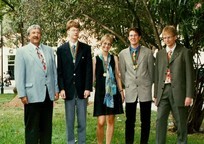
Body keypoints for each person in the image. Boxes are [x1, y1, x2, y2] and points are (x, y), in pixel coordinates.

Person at [14, 24, 59, 144]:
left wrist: (56, 89)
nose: (36, 35)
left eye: (38, 32)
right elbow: (19, 74)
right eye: (33, 33)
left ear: (41, 35)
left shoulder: (49, 50)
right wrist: (22, 94)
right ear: (28, 36)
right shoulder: (22, 52)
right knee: (32, 129)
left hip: (48, 95)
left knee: (46, 129)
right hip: (31, 96)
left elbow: (53, 71)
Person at [154, 25, 194, 144]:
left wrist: (189, 95)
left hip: (179, 92)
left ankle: (182, 142)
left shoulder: (184, 52)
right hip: (163, 91)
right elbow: (157, 75)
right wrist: (156, 94)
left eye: (169, 37)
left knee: (181, 122)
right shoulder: (160, 54)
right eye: (164, 38)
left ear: (175, 37)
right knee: (160, 120)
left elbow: (189, 75)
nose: (166, 40)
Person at [57, 19, 93, 144]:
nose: (75, 32)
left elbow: (89, 69)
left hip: (82, 90)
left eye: (77, 30)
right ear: (68, 32)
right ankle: (70, 141)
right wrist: (61, 88)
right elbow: (60, 71)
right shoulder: (61, 50)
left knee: (82, 121)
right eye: (73, 30)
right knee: (70, 120)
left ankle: (82, 142)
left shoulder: (86, 48)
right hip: (68, 90)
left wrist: (88, 87)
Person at [119, 27, 154, 144]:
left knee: (146, 120)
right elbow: (122, 73)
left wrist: (147, 84)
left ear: (139, 37)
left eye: (135, 35)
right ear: (128, 38)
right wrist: (128, 84)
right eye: (130, 35)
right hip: (130, 89)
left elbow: (151, 72)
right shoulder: (122, 54)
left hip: (145, 89)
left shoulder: (148, 52)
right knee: (129, 120)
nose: (133, 37)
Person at [93, 34, 124, 144]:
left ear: (111, 46)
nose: (107, 46)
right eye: (105, 43)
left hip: (112, 92)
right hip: (100, 92)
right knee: (101, 122)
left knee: (110, 120)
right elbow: (93, 77)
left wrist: (121, 91)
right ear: (101, 44)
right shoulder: (95, 59)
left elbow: (117, 75)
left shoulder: (114, 58)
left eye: (109, 44)